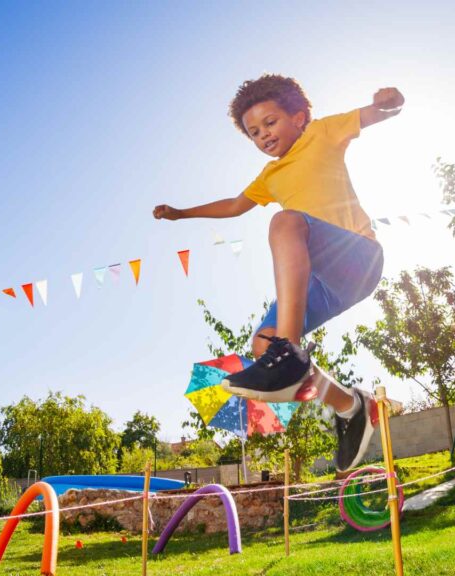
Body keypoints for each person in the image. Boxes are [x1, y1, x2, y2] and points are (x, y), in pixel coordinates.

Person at [153, 74, 403, 472]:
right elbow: (235, 205)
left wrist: (389, 101)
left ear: (299, 117)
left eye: (270, 123)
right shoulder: (270, 175)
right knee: (262, 346)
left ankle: (289, 353)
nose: (263, 135)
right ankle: (351, 406)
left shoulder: (321, 133)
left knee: (285, 223)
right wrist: (182, 213)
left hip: (357, 257)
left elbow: (375, 113)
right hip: (323, 281)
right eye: (254, 132)